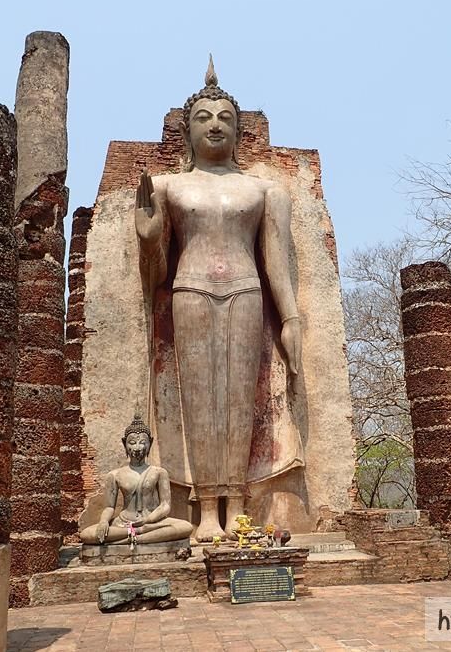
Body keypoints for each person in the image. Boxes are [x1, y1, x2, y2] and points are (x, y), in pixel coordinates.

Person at [135, 57, 301, 541]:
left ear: (239, 130)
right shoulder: (168, 186)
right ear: (186, 130)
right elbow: (157, 274)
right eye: (204, 118)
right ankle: (207, 509)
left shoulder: (264, 191)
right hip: (190, 290)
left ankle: (239, 509)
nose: (214, 125)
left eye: (225, 118)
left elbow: (276, 263)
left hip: (246, 291)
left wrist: (291, 319)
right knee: (200, 403)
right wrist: (149, 237)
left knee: (239, 402)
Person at [78, 414, 193, 545]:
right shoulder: (115, 475)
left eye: (143, 442)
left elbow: (165, 505)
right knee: (87, 534)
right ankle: (138, 534)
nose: (138, 447)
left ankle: (134, 537)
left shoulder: (159, 472)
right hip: (124, 522)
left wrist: (148, 520)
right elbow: (109, 507)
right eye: (132, 443)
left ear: (150, 443)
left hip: (152, 521)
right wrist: (103, 522)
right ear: (124, 443)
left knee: (185, 527)